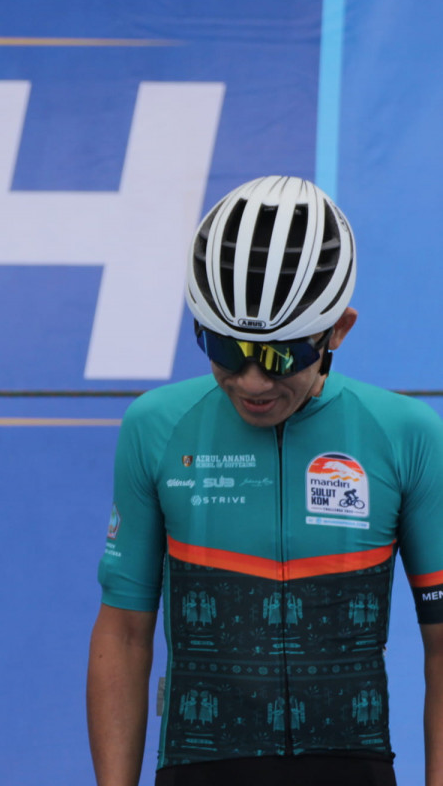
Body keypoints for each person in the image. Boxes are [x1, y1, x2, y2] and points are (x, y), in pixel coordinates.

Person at [88, 176, 443, 786]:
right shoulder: (156, 427)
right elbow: (122, 635)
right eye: (226, 349)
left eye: (280, 356)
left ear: (338, 330)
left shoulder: (406, 434)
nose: (252, 381)